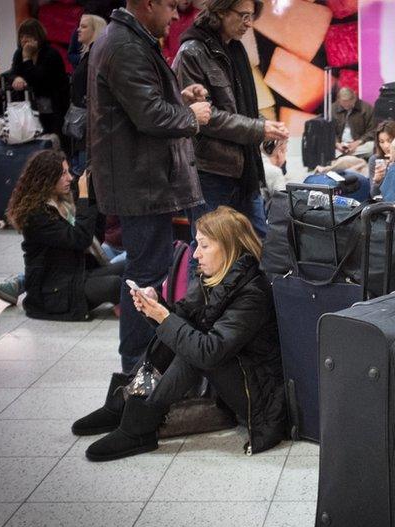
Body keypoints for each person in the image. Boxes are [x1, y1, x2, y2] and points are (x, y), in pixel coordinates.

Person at [72, 206, 286, 460]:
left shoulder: (252, 292)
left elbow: (208, 352)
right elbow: (180, 319)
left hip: (260, 398)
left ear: (229, 247)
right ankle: (123, 405)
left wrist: (165, 318)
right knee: (179, 331)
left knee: (192, 349)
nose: (196, 253)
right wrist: (156, 307)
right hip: (235, 373)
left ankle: (139, 426)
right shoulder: (217, 277)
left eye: (204, 246)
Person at [88, 0, 213, 372]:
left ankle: (143, 366)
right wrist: (190, 115)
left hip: (142, 180)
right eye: (172, 6)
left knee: (147, 273)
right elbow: (149, 115)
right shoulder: (125, 45)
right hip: (141, 183)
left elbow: (143, 103)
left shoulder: (129, 40)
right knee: (144, 278)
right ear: (149, 3)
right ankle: (137, 369)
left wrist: (179, 96)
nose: (176, 16)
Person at [173, 0, 289, 240]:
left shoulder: (235, 49)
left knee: (259, 246)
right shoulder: (192, 52)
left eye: (251, 16)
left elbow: (241, 108)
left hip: (243, 170)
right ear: (221, 11)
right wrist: (259, 128)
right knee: (211, 251)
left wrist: (270, 135)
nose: (248, 23)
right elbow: (205, 116)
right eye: (243, 16)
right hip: (209, 171)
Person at [5, 150, 124, 321]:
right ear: (46, 178)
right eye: (63, 174)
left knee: (129, 266)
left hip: (73, 275)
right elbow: (80, 239)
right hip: (52, 293)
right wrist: (84, 197)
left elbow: (93, 236)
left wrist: (93, 197)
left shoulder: (63, 203)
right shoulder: (37, 214)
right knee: (115, 284)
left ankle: (130, 301)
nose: (70, 178)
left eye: (68, 172)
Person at [6, 19, 69, 136]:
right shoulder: (19, 53)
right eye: (21, 36)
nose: (24, 40)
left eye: (28, 36)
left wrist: (27, 59)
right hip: (30, 108)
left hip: (53, 109)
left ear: (37, 37)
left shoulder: (51, 54)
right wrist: (16, 78)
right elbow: (11, 72)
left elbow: (38, 79)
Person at [69, 14, 107, 175]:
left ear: (95, 30)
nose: (78, 30)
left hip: (91, 128)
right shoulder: (87, 56)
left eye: (84, 26)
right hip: (82, 127)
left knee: (86, 175)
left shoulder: (96, 57)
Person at [332, 87, 377, 158]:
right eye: (344, 103)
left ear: (354, 99)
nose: (346, 106)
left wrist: (359, 142)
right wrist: (337, 143)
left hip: (359, 144)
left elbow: (373, 130)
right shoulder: (333, 109)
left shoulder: (366, 109)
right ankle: (346, 155)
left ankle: (342, 156)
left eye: (349, 103)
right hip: (339, 145)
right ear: (339, 100)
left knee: (372, 147)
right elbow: (329, 130)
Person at [367, 119, 395, 193]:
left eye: (390, 141)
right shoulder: (375, 160)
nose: (386, 146)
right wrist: (377, 182)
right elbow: (374, 196)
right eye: (381, 142)